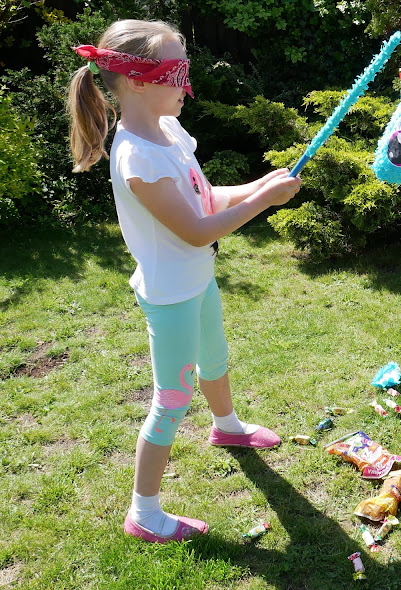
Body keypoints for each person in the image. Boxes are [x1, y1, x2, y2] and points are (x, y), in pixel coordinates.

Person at [67, 19, 301, 544]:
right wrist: (264, 202)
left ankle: (227, 426)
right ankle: (144, 513)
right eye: (177, 72)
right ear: (137, 81)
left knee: (214, 360)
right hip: (170, 295)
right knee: (172, 397)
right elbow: (196, 231)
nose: (186, 82)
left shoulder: (169, 132)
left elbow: (204, 198)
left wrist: (257, 186)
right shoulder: (138, 158)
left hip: (198, 279)